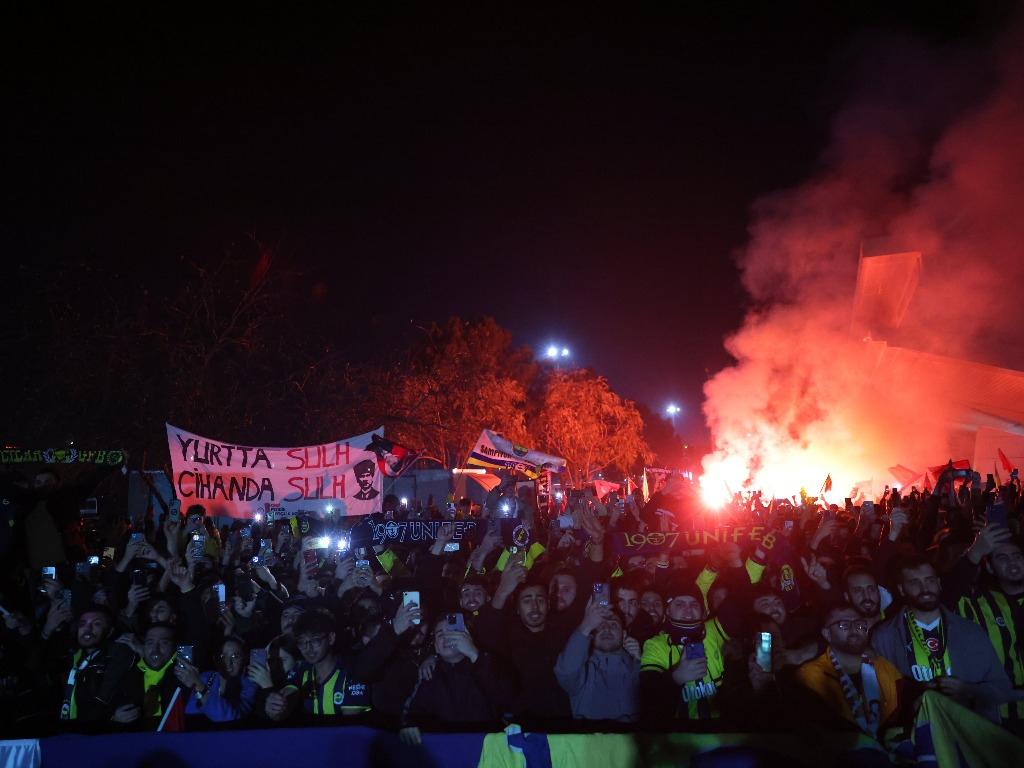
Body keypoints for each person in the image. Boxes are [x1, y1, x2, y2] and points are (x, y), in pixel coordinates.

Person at [871, 555, 1012, 722]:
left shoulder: (971, 631)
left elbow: (1002, 688)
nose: (925, 588)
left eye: (930, 580)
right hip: (916, 738)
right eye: (914, 582)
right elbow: (877, 697)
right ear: (901, 589)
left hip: (969, 733)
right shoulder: (885, 637)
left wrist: (970, 691)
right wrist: (912, 696)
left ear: (938, 583)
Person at [940, 523, 1024, 734]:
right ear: (989, 567)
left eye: (1017, 556)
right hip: (999, 716)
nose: (1012, 563)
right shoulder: (980, 603)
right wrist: (975, 553)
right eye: (1001, 558)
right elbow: (944, 595)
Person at [794, 602, 910, 750]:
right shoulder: (809, 677)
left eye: (859, 624)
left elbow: (904, 706)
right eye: (844, 625)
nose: (854, 629)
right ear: (827, 634)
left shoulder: (884, 667)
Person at [399, 613, 512, 744]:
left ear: (466, 637)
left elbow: (504, 699)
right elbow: (413, 711)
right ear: (436, 646)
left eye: (452, 632)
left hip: (487, 749)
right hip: (448, 749)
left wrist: (474, 655)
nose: (446, 637)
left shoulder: (488, 662)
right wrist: (410, 726)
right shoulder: (429, 674)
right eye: (440, 634)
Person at [265, 609, 371, 720]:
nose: (308, 649)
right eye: (302, 642)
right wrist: (275, 706)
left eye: (315, 640)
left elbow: (349, 728)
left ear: (331, 638)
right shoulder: (301, 669)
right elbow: (284, 706)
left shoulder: (352, 671)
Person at [554, 596, 641, 721]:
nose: (607, 628)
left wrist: (642, 664)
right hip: (589, 739)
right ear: (592, 632)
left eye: (613, 624)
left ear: (624, 634)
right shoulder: (584, 671)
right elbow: (566, 672)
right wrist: (585, 626)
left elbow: (655, 698)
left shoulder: (637, 666)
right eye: (600, 625)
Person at [178, 635, 258, 722]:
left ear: (244, 660)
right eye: (223, 656)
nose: (228, 663)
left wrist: (198, 685)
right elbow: (191, 714)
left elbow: (230, 717)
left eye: (235, 657)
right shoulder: (206, 677)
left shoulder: (250, 684)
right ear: (215, 659)